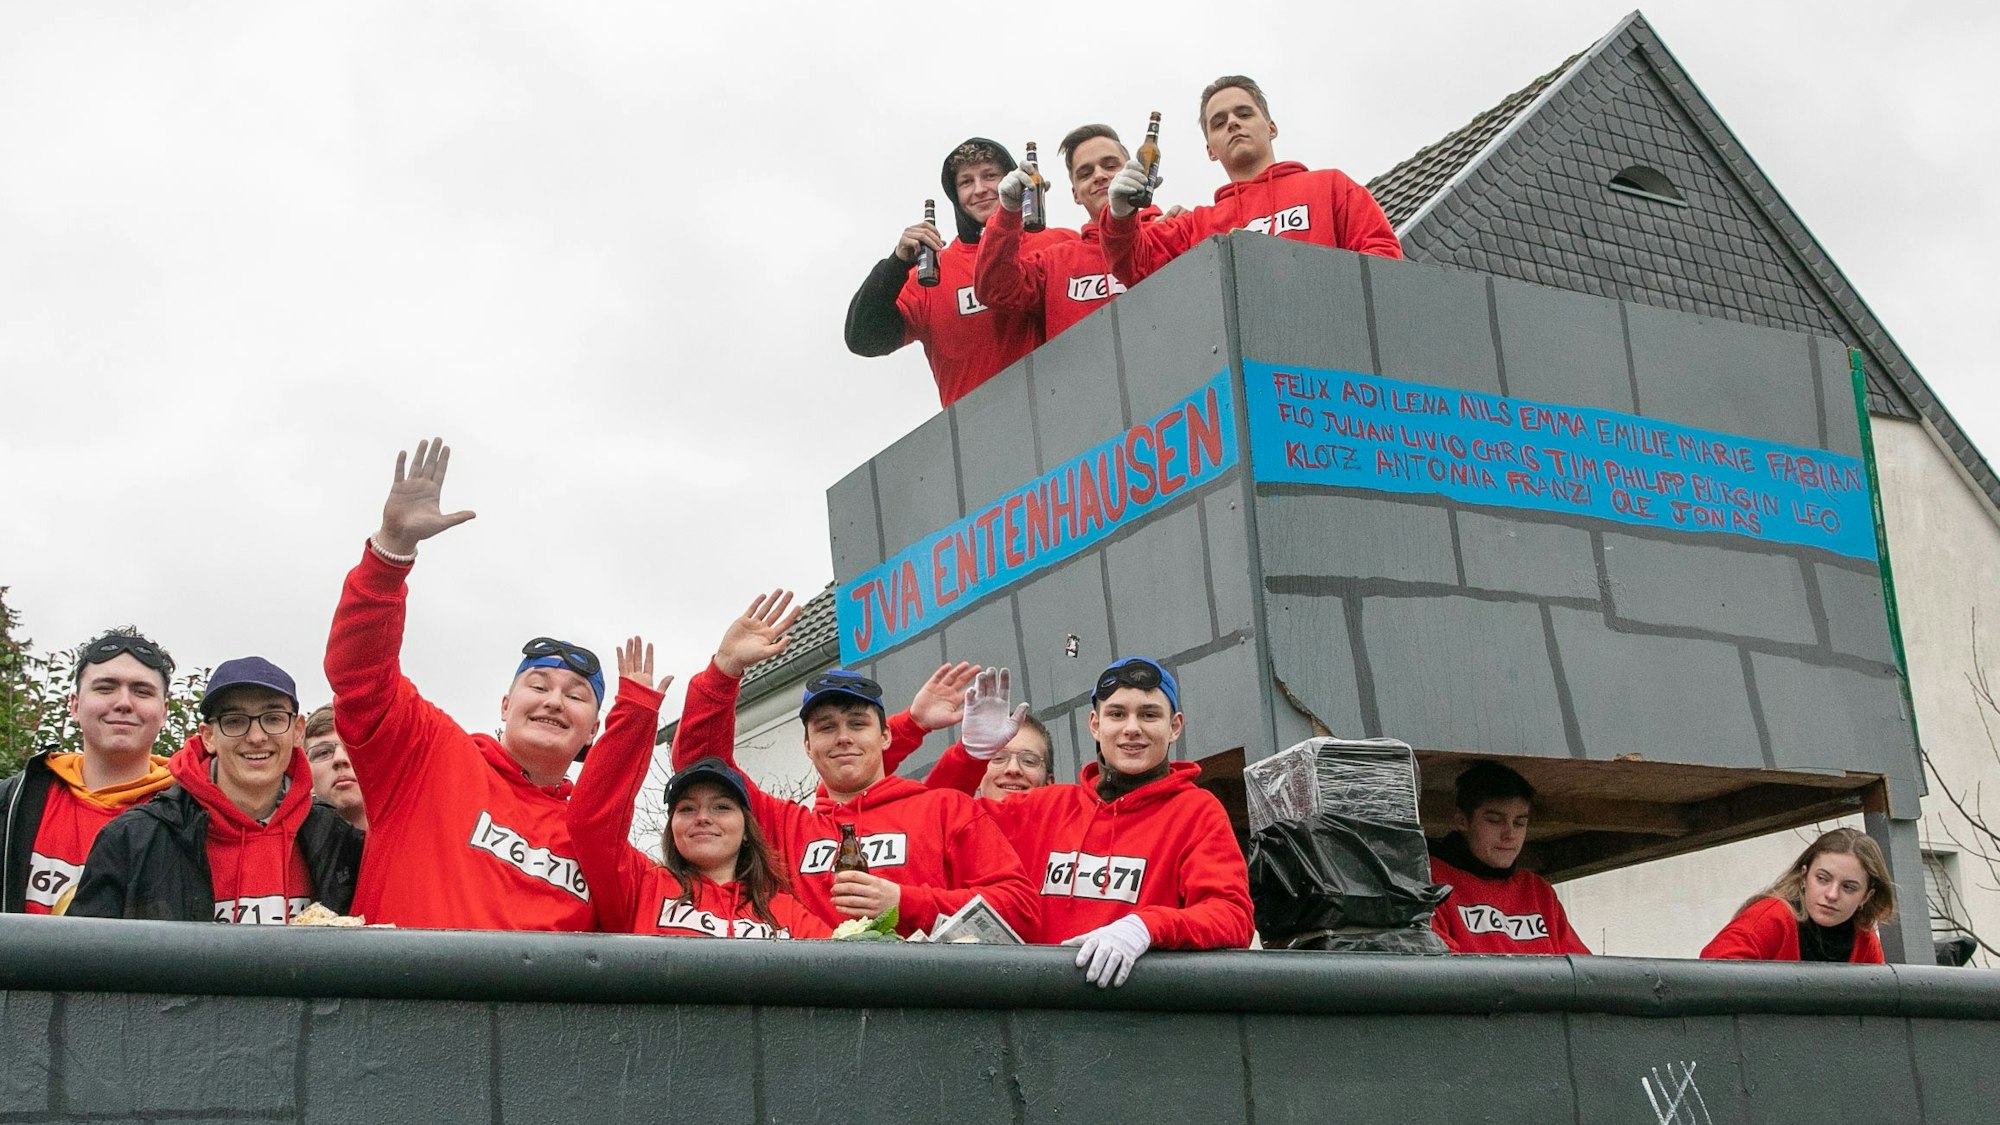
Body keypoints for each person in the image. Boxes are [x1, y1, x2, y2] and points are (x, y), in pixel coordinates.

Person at [323, 438, 600, 931]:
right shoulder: (427, 753)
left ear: (593, 731)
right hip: (398, 1006)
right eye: (538, 686)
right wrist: (391, 552)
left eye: (576, 695)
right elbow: (359, 674)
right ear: (504, 703)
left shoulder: (596, 839)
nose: (555, 701)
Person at [671, 590, 1036, 937]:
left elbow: (1020, 910)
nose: (843, 737)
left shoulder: (944, 808)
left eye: (857, 724)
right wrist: (725, 669)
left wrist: (905, 901)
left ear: (885, 736)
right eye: (826, 727)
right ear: (808, 746)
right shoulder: (784, 828)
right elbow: (700, 766)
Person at [931, 662, 1254, 987]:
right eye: (1116, 714)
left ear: (1175, 726)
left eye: (1149, 715)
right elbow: (931, 826)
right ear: (1095, 725)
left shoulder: (1196, 812)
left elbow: (1232, 916)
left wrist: (1146, 927)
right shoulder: (1045, 808)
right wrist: (969, 755)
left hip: (1134, 1023)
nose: (1132, 728)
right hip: (1037, 1018)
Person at [568, 637, 829, 939]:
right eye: (687, 808)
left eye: (721, 807)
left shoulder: (787, 914)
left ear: (747, 830)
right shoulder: (642, 887)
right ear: (672, 828)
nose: (702, 817)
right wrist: (634, 710)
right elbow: (590, 822)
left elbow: (844, 971)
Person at [69, 657, 363, 923]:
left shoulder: (338, 840)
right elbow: (85, 966)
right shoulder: (131, 840)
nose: (257, 737)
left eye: (273, 719)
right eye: (235, 721)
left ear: (298, 731)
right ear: (208, 736)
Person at [1101, 75, 1402, 288]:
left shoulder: (1331, 187)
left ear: (1271, 127)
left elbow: (1382, 259)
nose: (1233, 122)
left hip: (1328, 361)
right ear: (1210, 150)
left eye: (1244, 113)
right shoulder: (1195, 227)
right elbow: (1132, 266)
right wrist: (1120, 215)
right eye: (1219, 123)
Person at [844, 137, 1077, 407]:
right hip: (977, 437)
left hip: (1067, 421)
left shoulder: (1062, 245)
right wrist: (896, 264)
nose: (979, 189)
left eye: (990, 176)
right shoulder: (932, 275)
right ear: (955, 195)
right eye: (966, 182)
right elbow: (862, 338)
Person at [0, 627, 178, 915]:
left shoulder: (192, 816)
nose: (123, 703)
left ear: (164, 711)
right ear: (74, 705)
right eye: (105, 688)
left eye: (142, 691)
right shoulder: (12, 803)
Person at [974, 123, 1164, 340]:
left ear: (1134, 169)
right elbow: (995, 290)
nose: (1099, 175)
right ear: (1075, 194)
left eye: (1110, 166)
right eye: (1085, 173)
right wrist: (1008, 213)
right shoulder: (1055, 263)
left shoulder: (1168, 234)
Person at [1427, 760, 1591, 955]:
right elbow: (1440, 972)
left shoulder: (1538, 891)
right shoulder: (1430, 881)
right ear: (1462, 820)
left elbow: (1582, 972)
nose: (1510, 834)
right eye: (1495, 821)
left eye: (1520, 823)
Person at [1700, 827, 1897, 963]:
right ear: (1804, 876)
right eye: (1822, 879)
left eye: (1849, 887)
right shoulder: (1771, 917)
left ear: (1866, 896)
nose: (1831, 894)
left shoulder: (1864, 939)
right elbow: (1712, 974)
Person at [893, 667, 1054, 801]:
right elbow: (932, 815)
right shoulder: (950, 833)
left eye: (1029, 761)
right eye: (998, 758)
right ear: (977, 777)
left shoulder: (1071, 832)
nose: (1013, 769)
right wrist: (912, 723)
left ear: (1049, 782)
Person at [303, 705, 366, 831]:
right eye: (323, 752)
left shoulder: (414, 832)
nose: (339, 759)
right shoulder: (288, 847)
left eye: (353, 747)